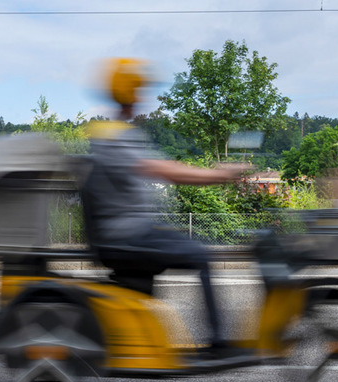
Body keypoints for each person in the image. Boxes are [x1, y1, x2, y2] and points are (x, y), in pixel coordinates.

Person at [81, 58, 253, 361]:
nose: (142, 97)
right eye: (139, 90)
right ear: (130, 92)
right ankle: (218, 342)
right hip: (126, 236)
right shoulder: (114, 136)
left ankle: (133, 345)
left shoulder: (113, 132)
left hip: (127, 233)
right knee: (200, 255)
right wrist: (218, 175)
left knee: (154, 274)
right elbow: (161, 169)